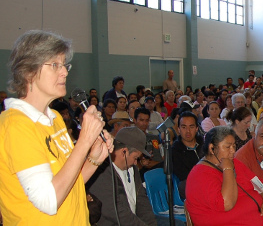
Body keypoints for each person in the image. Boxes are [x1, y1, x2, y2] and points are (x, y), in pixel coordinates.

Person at [0, 30, 113, 224]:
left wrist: (94, 159)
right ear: (28, 71)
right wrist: (84, 141)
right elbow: (49, 200)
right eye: (55, 65)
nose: (65, 72)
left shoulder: (54, 119)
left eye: (64, 64)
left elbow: (69, 184)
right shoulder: (16, 125)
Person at [185, 126, 263, 225]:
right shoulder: (199, 175)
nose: (233, 151)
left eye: (234, 146)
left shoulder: (235, 162)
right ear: (212, 148)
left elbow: (261, 185)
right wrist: (228, 169)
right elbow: (227, 204)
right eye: (228, 147)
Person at [86, 127, 156, 225]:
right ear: (124, 152)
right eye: (135, 158)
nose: (136, 163)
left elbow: (142, 200)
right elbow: (118, 213)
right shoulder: (101, 173)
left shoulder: (132, 169)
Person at [172, 111, 204, 199]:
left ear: (197, 128)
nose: (188, 131)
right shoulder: (175, 150)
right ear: (178, 129)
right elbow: (183, 175)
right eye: (184, 127)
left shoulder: (204, 144)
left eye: (191, 127)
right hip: (191, 185)